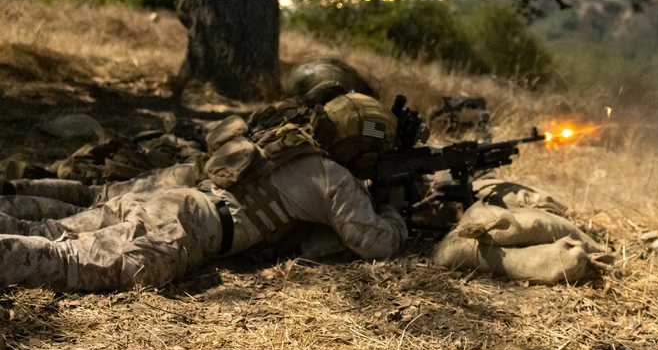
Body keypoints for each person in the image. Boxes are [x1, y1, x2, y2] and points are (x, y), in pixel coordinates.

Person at [0, 93, 407, 291]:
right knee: (62, 260)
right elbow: (374, 243)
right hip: (179, 231)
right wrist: (392, 212)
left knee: (50, 230)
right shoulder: (332, 176)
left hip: (172, 202)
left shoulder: (288, 144)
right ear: (360, 145)